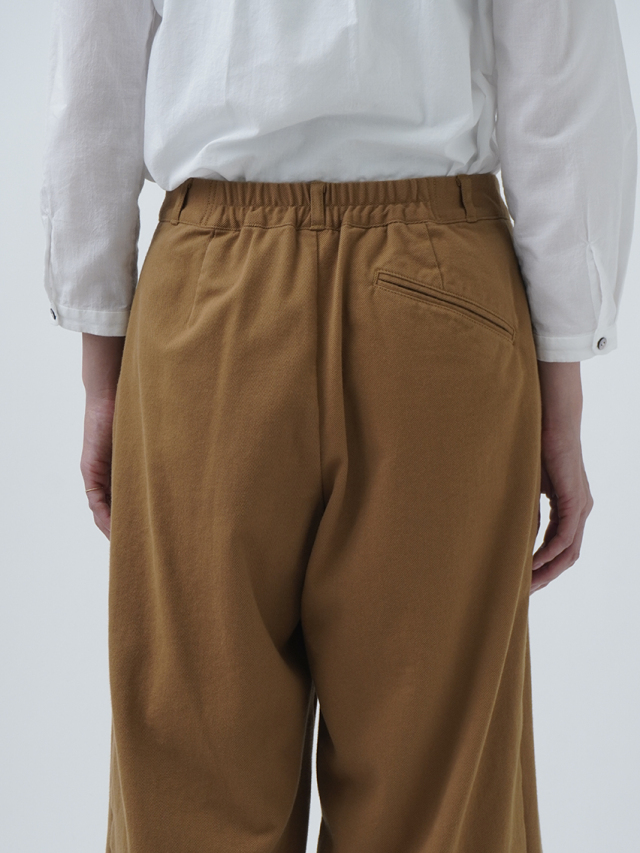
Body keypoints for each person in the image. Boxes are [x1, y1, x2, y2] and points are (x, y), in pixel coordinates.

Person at [39, 1, 636, 851]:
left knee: (187, 796)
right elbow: (558, 62)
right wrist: (563, 372)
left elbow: (94, 58)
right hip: (439, 305)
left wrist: (101, 352)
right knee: (437, 810)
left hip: (209, 303)